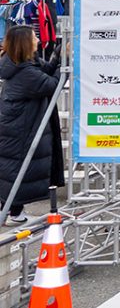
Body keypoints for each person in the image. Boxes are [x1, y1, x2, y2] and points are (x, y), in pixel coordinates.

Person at [0, 26, 60, 227]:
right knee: (16, 170)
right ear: (25, 43)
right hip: (19, 130)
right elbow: (52, 84)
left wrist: (58, 56)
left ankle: (13, 212)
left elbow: (46, 71)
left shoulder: (22, 64)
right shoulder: (25, 72)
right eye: (34, 37)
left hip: (18, 128)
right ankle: (11, 213)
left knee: (14, 170)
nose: (38, 40)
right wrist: (65, 65)